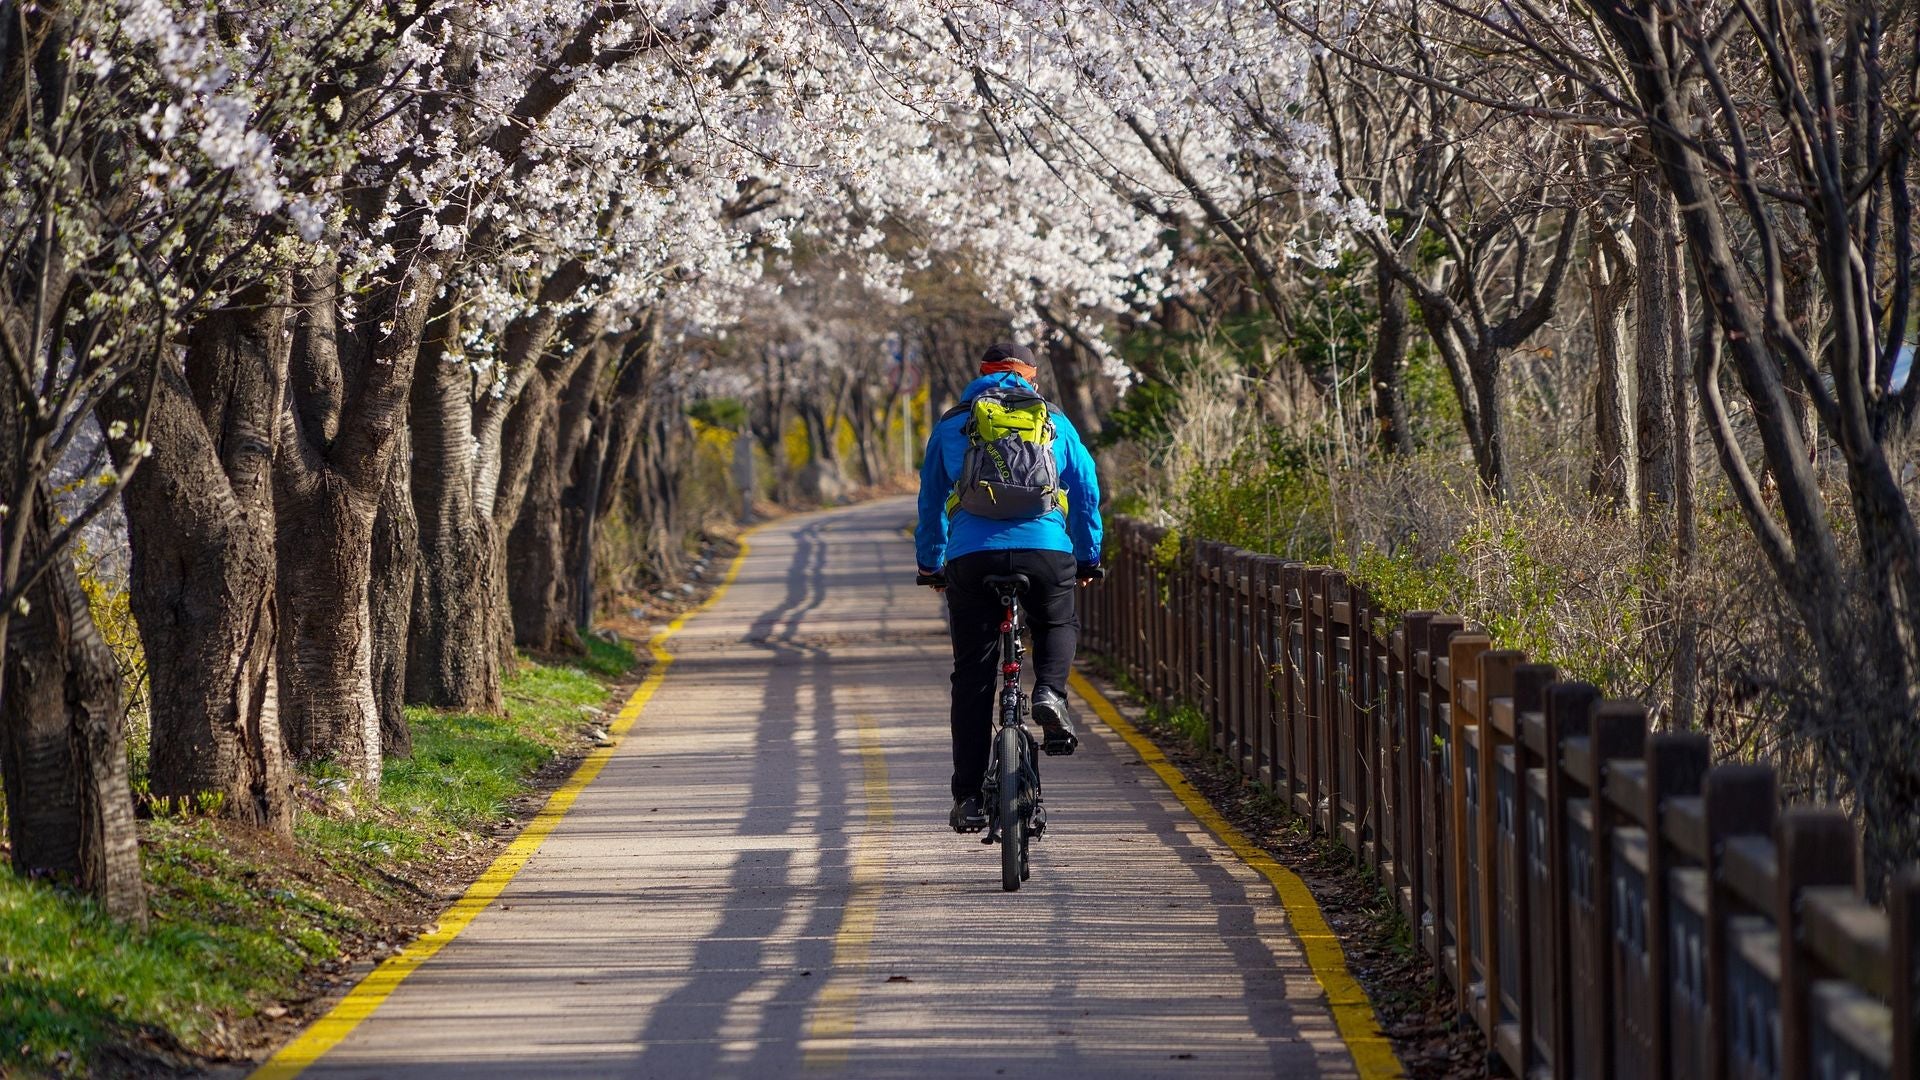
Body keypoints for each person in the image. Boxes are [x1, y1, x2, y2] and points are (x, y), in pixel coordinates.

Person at [915, 342, 1102, 833]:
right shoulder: (1055, 421)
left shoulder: (953, 423)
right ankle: (1050, 693)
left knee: (973, 678)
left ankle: (969, 798)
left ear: (981, 375)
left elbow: (931, 500)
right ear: (1032, 378)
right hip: (1046, 549)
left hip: (972, 556)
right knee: (1058, 618)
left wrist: (931, 563)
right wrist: (1088, 555)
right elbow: (1084, 488)